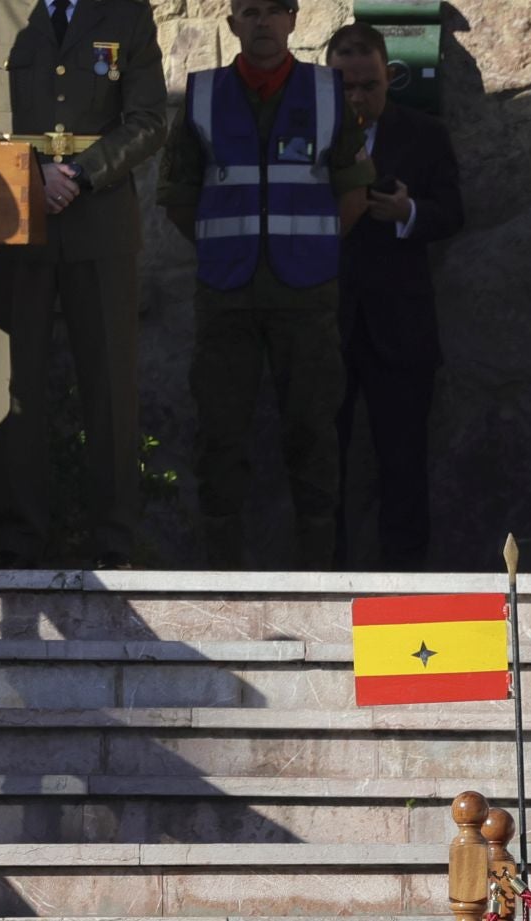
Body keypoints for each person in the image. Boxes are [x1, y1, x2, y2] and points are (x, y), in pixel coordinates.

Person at [157, 0, 372, 570]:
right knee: (219, 438)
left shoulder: (329, 92)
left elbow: (353, 192)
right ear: (231, 25)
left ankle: (317, 578)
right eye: (250, 11)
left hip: (306, 296)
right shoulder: (201, 95)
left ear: (294, 20)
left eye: (275, 11)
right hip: (226, 296)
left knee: (313, 435)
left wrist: (313, 247)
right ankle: (222, 581)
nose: (263, 23)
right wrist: (226, 247)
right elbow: (178, 197)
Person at [0, 0, 168, 569]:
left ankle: (113, 543)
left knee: (110, 386)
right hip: (12, 219)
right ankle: (16, 541)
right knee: (10, 390)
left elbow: (149, 119)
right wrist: (29, 173)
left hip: (100, 220)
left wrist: (82, 175)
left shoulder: (127, 13)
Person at [327, 21, 462, 571]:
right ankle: (322, 574)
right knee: (321, 461)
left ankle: (406, 583)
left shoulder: (424, 134)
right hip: (326, 319)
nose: (358, 97)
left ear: (389, 78)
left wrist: (408, 213)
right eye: (345, 86)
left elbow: (453, 212)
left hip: (399, 322)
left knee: (403, 461)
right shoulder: (309, 133)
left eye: (369, 85)